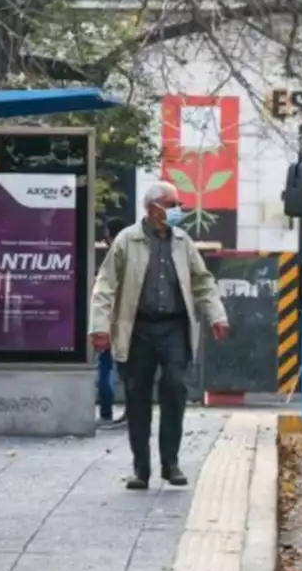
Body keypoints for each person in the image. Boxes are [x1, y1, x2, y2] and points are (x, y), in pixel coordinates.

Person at [89, 182, 229, 490]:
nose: (179, 209)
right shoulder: (127, 241)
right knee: (137, 397)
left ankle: (171, 463)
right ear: (153, 209)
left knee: (175, 388)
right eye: (173, 204)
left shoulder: (183, 241)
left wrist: (216, 315)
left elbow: (202, 281)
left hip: (174, 328)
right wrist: (99, 327)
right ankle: (141, 468)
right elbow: (105, 286)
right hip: (138, 328)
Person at [96, 217, 129, 428]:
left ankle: (107, 413)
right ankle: (130, 413)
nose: (106, 240)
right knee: (128, 370)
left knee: (105, 367)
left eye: (107, 236)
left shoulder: (114, 257)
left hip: (112, 321)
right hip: (127, 322)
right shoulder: (132, 255)